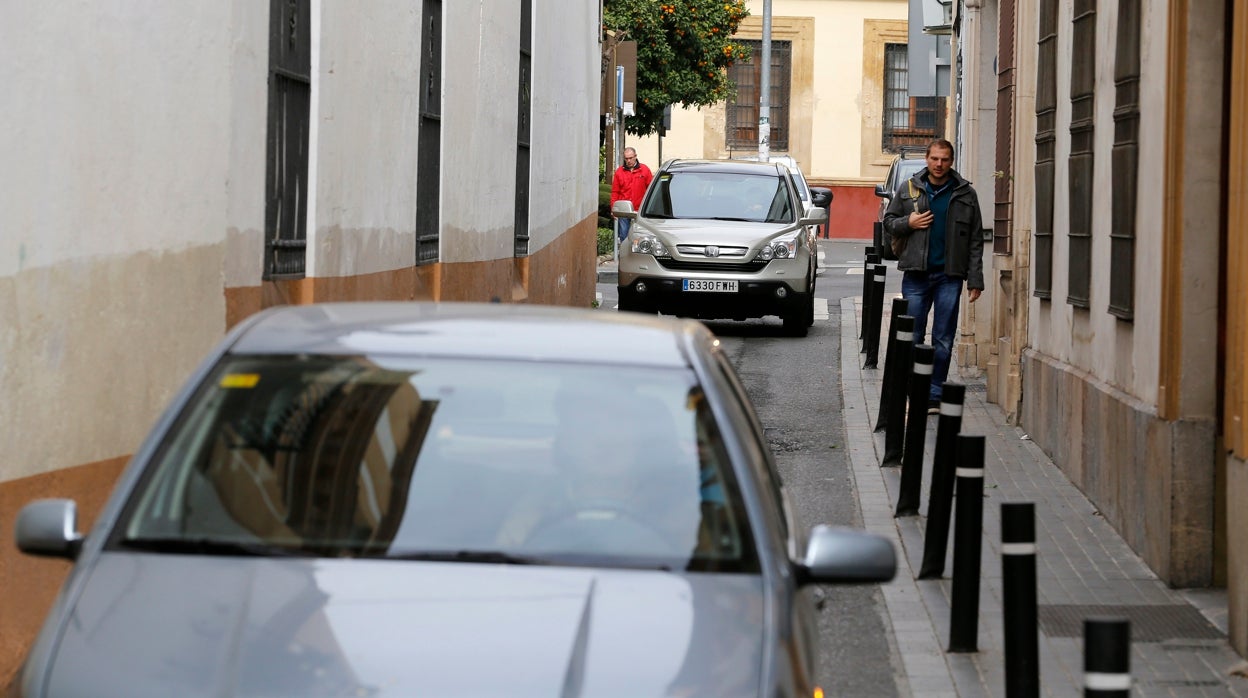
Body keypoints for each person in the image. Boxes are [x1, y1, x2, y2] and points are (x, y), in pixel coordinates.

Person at [882, 138, 984, 414]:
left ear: (952, 162)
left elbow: (975, 239)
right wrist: (909, 222)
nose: (939, 165)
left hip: (949, 277)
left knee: (943, 337)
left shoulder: (964, 193)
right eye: (935, 159)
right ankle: (913, 389)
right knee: (912, 336)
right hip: (916, 274)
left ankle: (934, 394)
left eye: (945, 160)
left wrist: (975, 279)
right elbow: (888, 224)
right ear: (927, 159)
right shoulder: (910, 189)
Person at [610, 147, 653, 242]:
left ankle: (636, 255)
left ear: (635, 156)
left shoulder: (644, 170)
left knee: (639, 236)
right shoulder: (619, 172)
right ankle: (625, 255)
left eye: (630, 158)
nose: (628, 161)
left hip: (639, 210)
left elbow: (651, 191)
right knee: (624, 236)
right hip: (623, 210)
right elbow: (615, 192)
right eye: (626, 158)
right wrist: (613, 208)